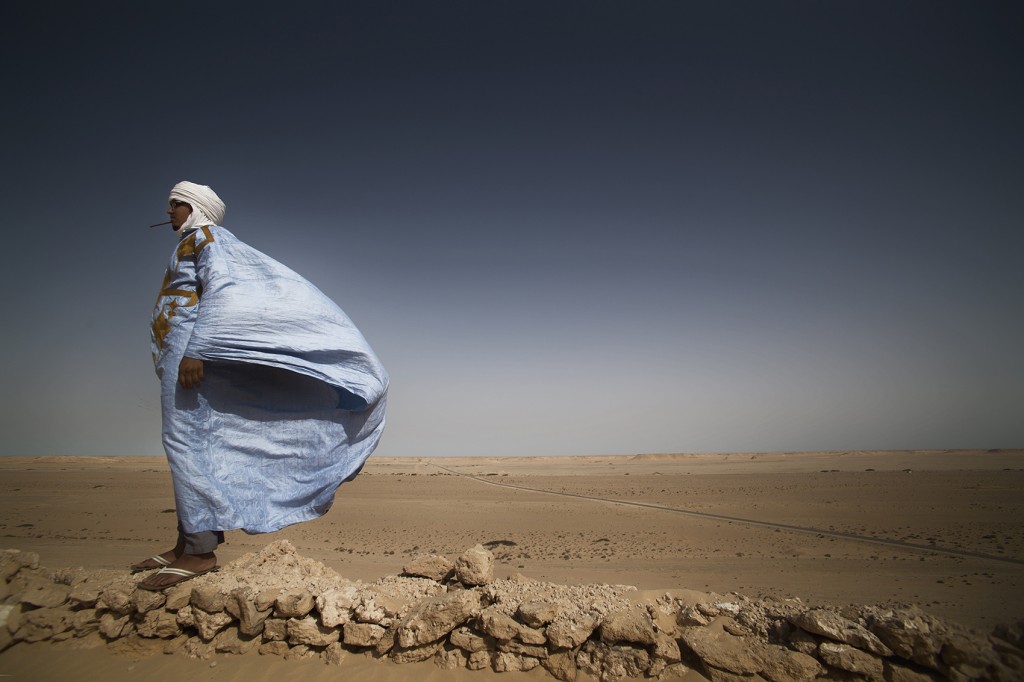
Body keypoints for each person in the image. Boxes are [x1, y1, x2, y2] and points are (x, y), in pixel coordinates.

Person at [133, 181, 388, 590]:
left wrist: (197, 350)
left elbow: (225, 289)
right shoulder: (191, 242)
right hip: (180, 352)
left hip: (192, 352)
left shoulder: (208, 238)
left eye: (177, 205)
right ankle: (187, 543)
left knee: (186, 443)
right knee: (188, 443)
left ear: (195, 207)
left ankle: (198, 553)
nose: (171, 212)